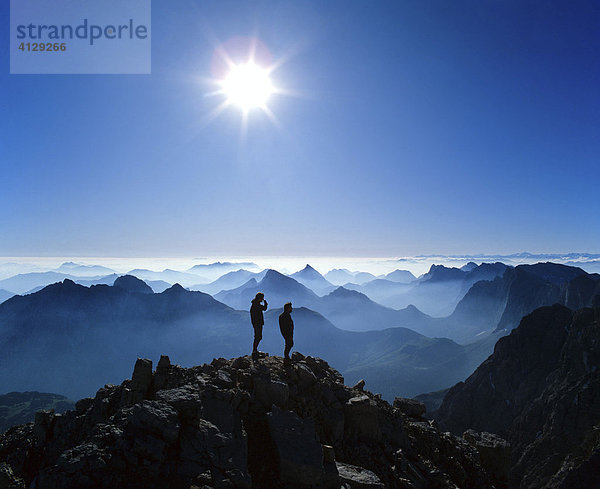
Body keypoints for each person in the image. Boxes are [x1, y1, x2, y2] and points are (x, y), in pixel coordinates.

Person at [250, 292, 268, 359]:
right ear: (259, 298)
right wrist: (266, 304)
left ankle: (255, 350)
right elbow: (264, 308)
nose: (262, 299)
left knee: (258, 337)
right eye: (262, 298)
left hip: (256, 323)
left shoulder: (255, 304)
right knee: (258, 337)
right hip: (258, 323)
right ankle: (254, 351)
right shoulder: (256, 305)